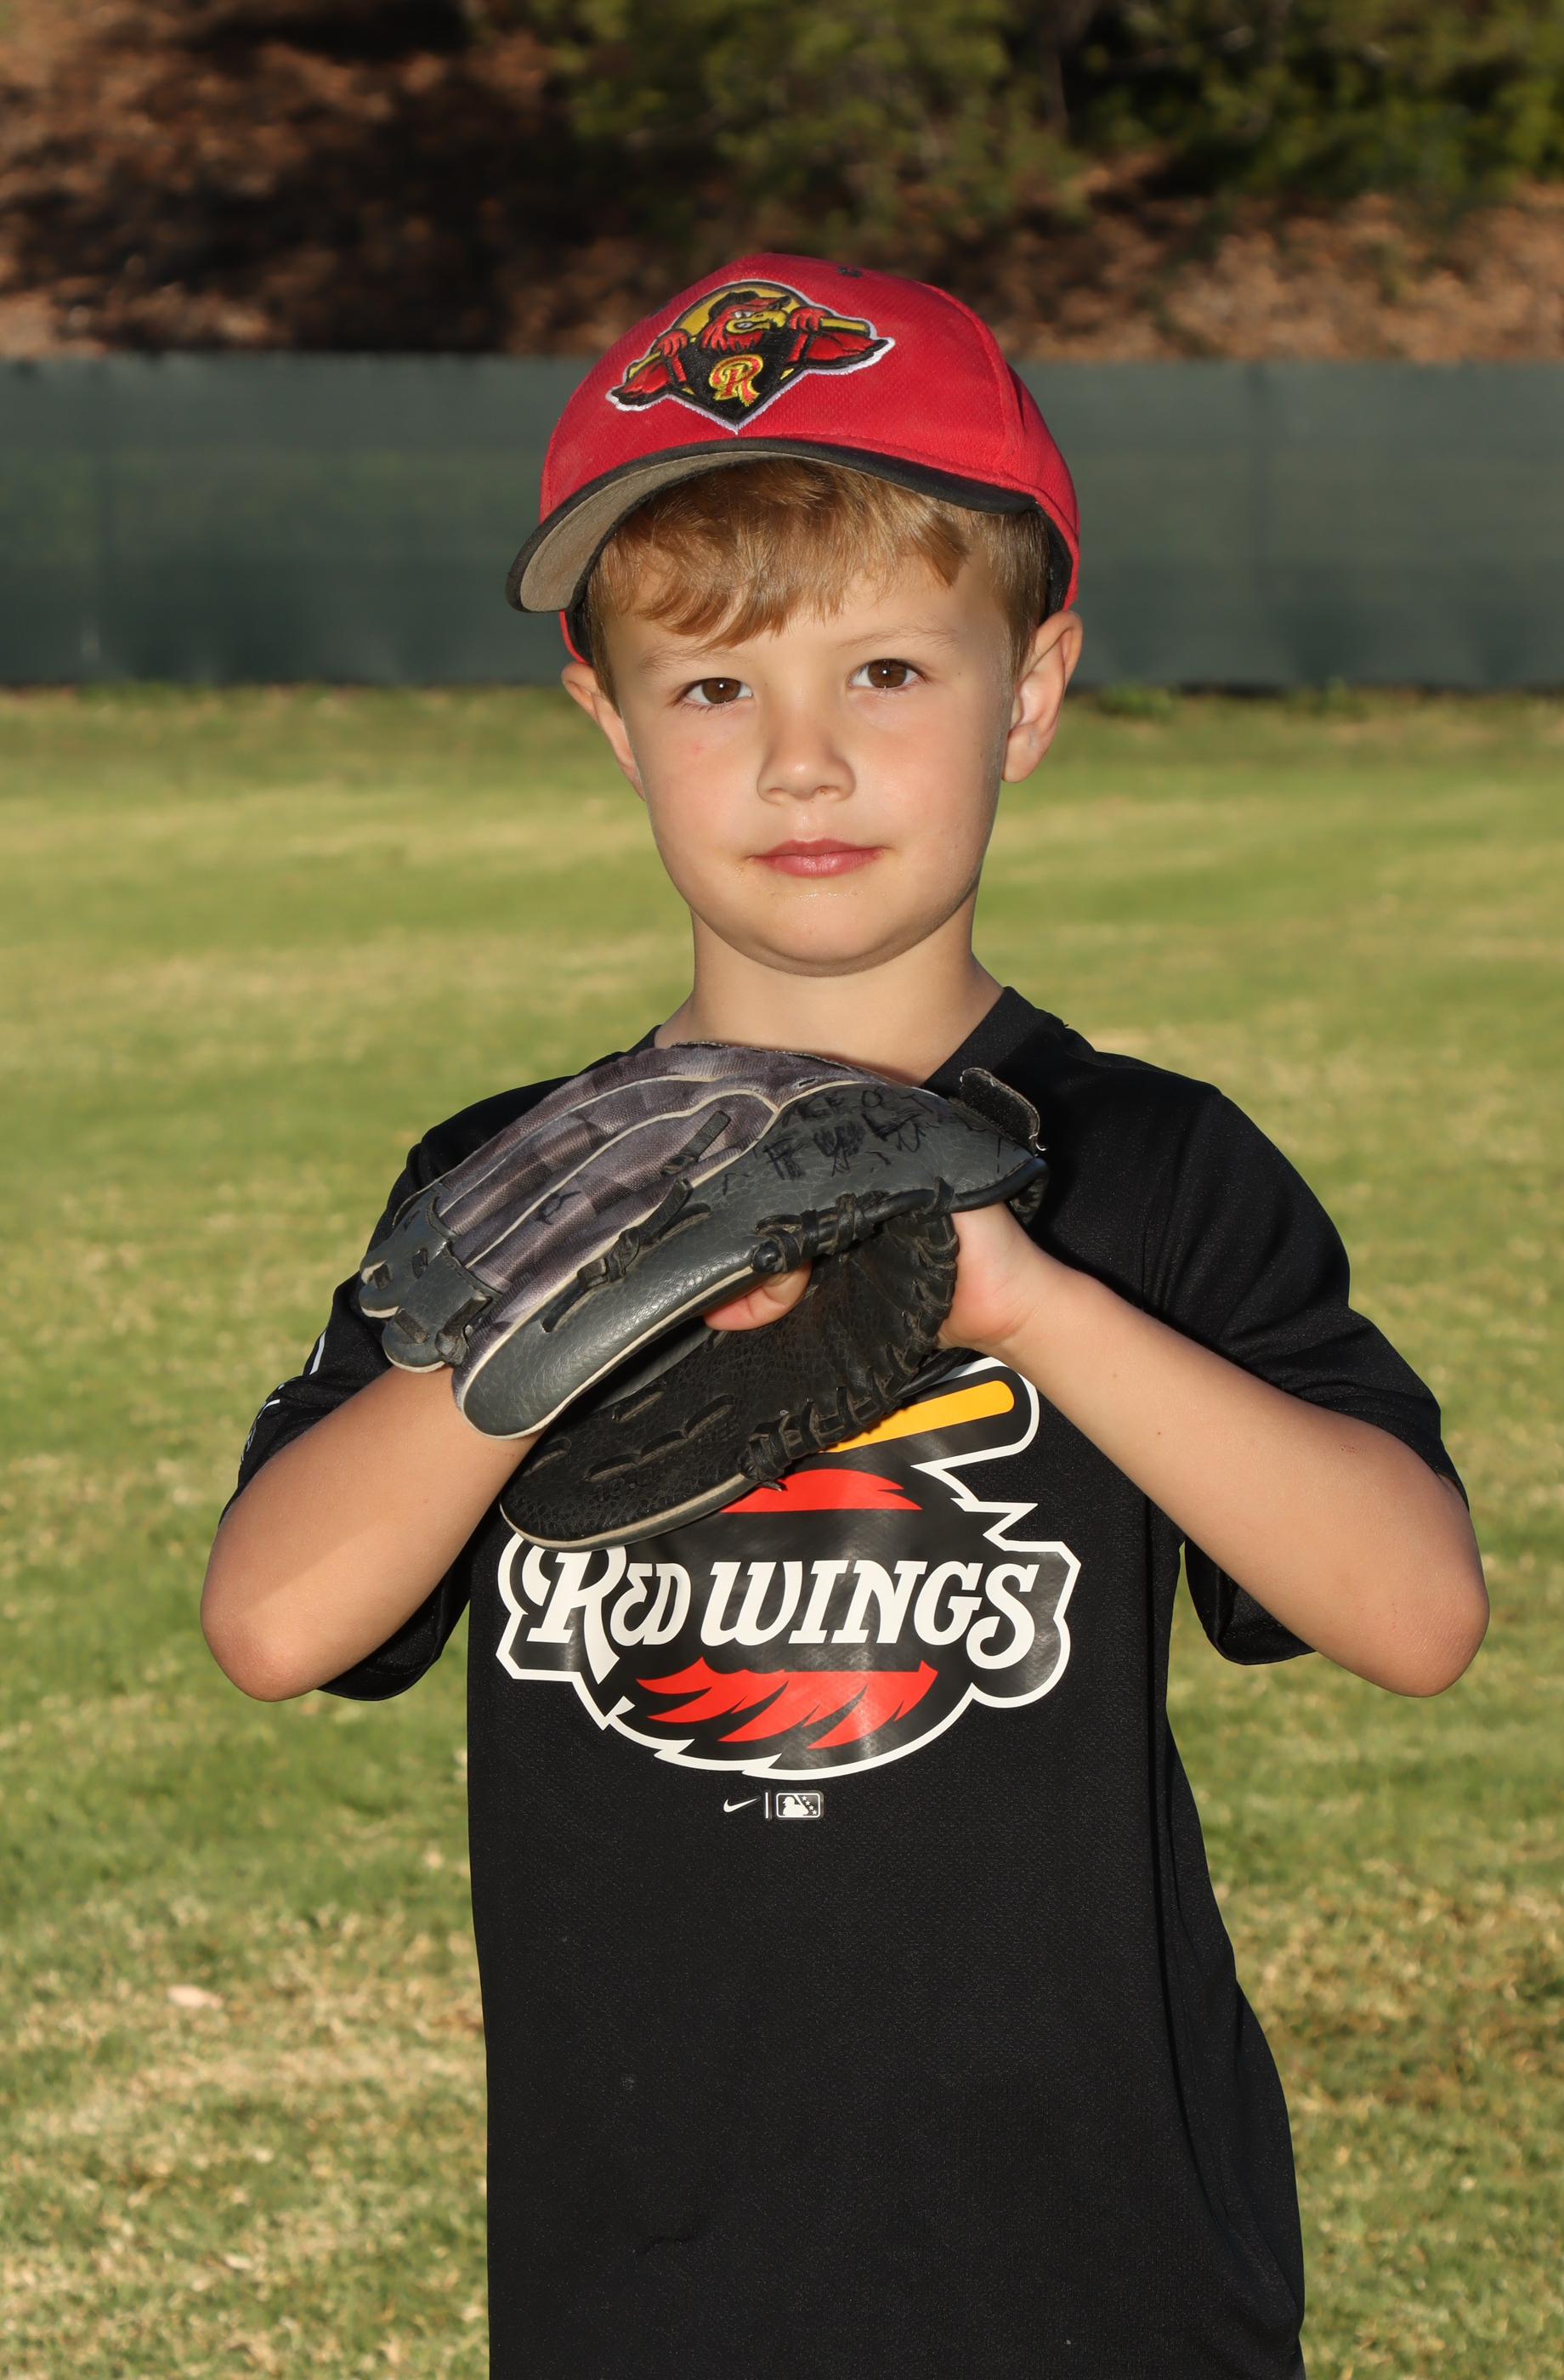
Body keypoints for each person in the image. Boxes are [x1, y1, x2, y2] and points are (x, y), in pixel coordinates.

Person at [201, 254, 1488, 2379]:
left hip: (1095, 2262)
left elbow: (1416, 1611)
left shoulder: (1142, 1163)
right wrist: (549, 1320)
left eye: (886, 670)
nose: (802, 763)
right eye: (713, 689)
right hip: (647, 2264)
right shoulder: (513, 1181)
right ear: (610, 722)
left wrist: (1016, 1293)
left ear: (1032, 691)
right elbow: (273, 1623)